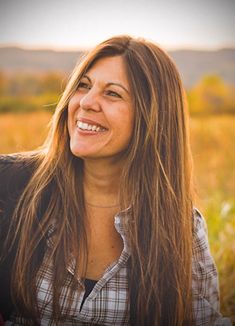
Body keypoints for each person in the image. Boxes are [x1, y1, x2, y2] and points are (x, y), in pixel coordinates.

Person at [0, 35, 231, 326]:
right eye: (83, 86)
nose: (86, 102)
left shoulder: (179, 228)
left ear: (151, 117)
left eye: (112, 94)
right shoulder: (11, 189)